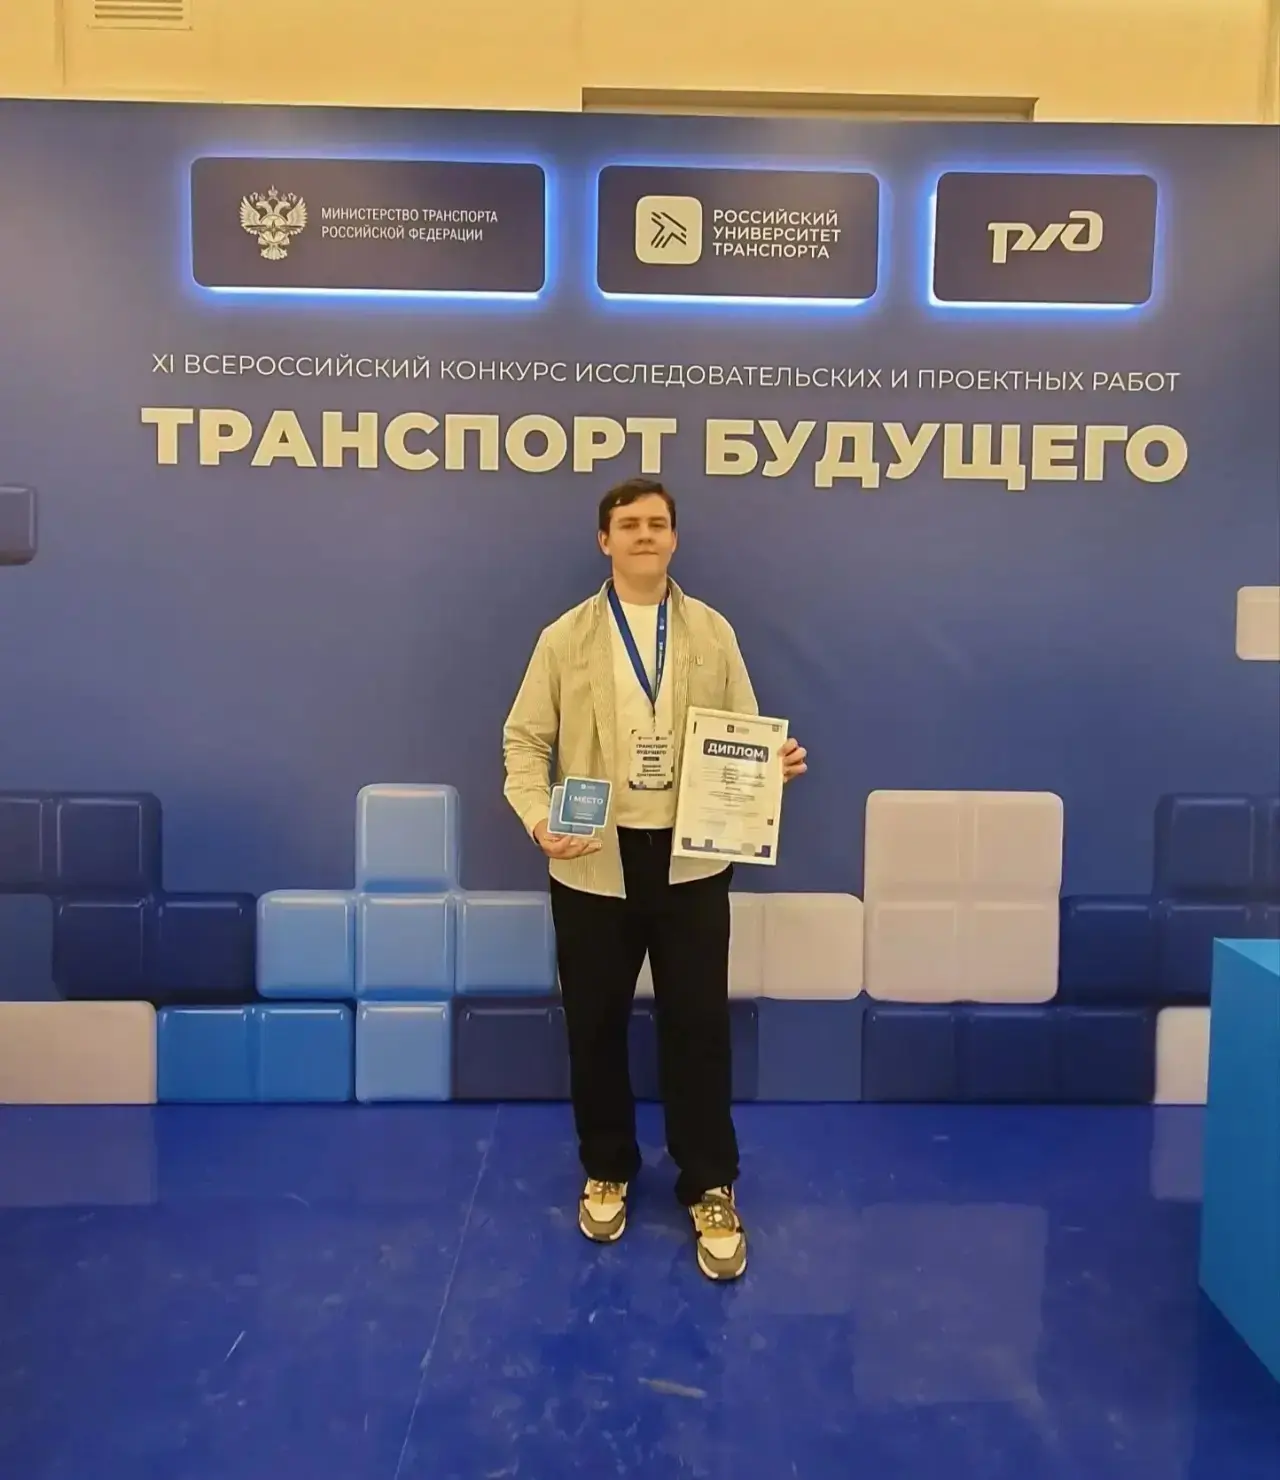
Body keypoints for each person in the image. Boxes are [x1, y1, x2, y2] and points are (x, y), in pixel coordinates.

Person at [502, 476, 807, 1281]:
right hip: (592, 862)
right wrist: (537, 818)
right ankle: (607, 1166)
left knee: (698, 1025)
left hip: (693, 857)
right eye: (629, 523)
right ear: (604, 541)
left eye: (658, 523)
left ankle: (709, 1184)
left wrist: (770, 765)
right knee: (595, 1023)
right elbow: (524, 742)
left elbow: (746, 732)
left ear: (674, 538)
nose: (645, 534)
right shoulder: (564, 637)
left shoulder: (711, 631)